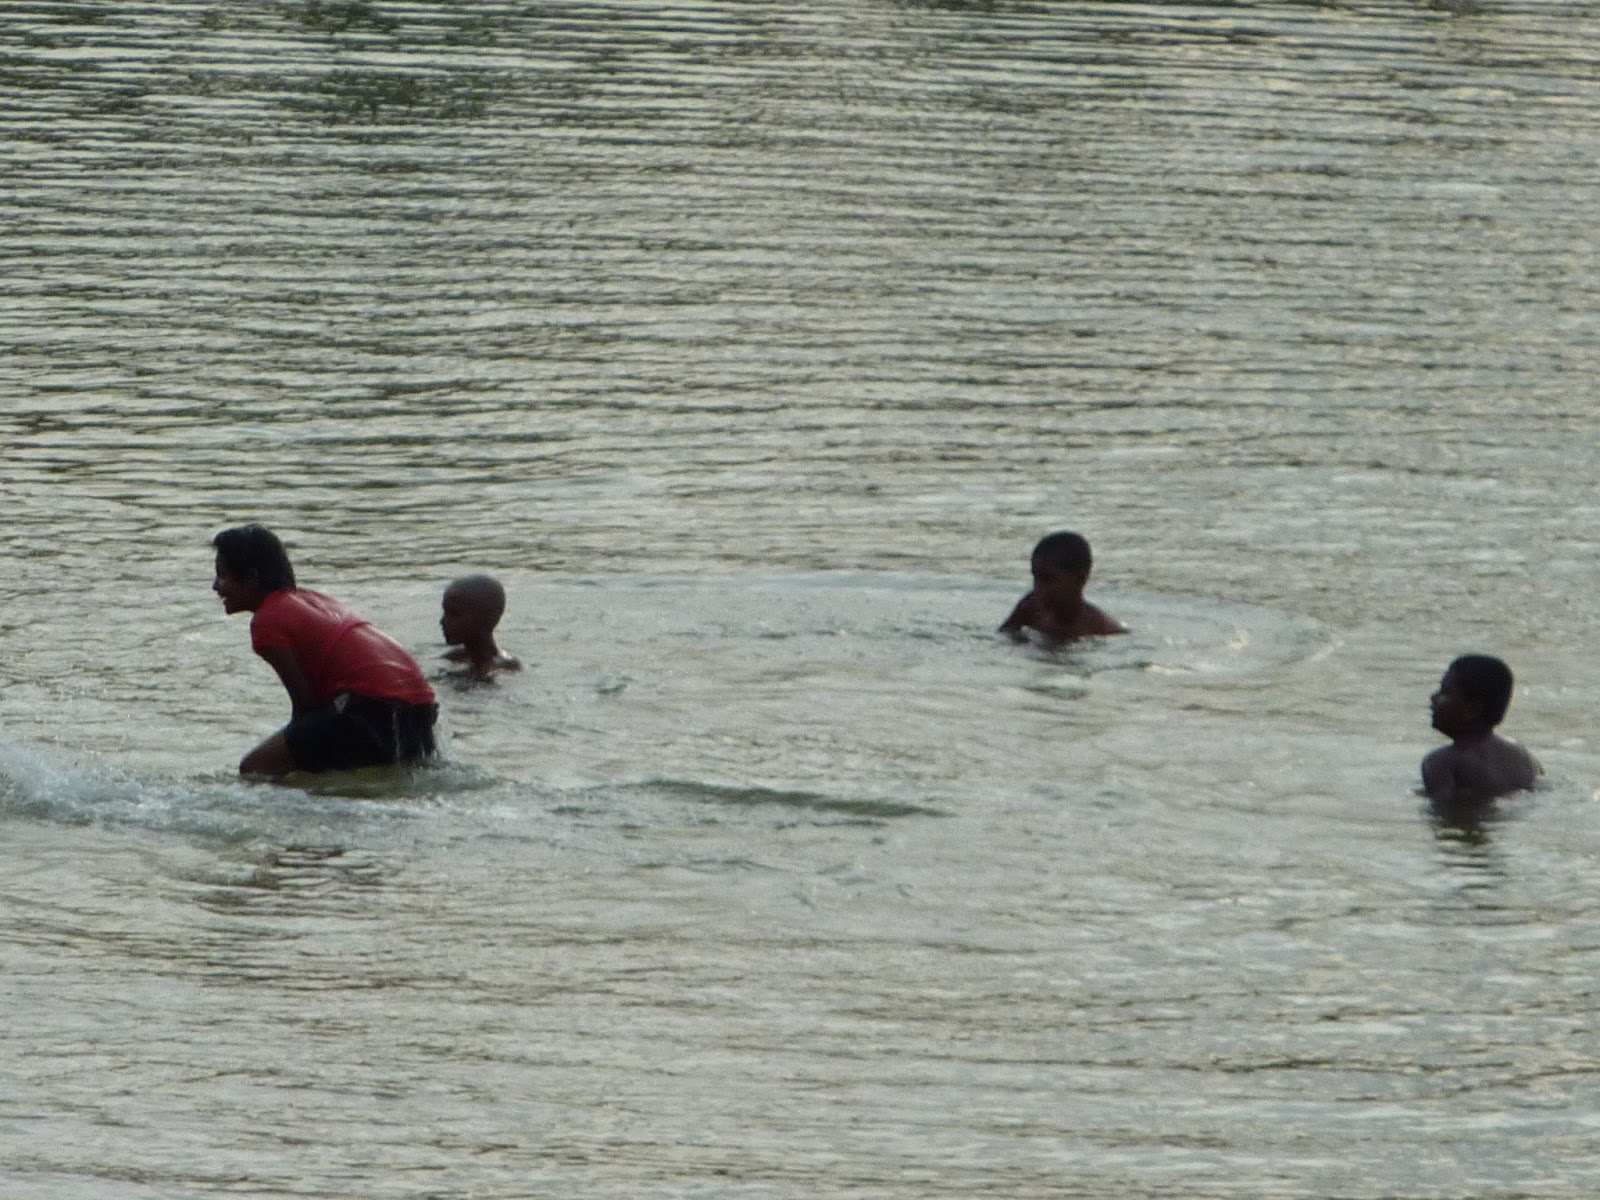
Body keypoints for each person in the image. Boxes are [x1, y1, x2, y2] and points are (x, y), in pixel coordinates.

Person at [212, 524, 438, 777]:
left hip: (370, 707)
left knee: (256, 768)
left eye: (222, 576)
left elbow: (306, 705)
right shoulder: (312, 600)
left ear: (252, 578)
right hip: (420, 708)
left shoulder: (267, 620)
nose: (215, 586)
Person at [1421, 654, 1539, 808]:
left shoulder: (1441, 762)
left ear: (1472, 709)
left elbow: (1442, 814)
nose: (1434, 697)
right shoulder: (1523, 756)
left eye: (1445, 691)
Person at [999, 530, 1125, 645]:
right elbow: (1002, 638)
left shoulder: (1100, 628)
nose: (1038, 588)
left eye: (1048, 579)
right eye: (1036, 577)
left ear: (1080, 580)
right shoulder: (1030, 608)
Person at [440, 573, 520, 680]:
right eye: (445, 612)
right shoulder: (454, 657)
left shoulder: (506, 669)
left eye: (454, 614)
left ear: (484, 619)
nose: (442, 621)